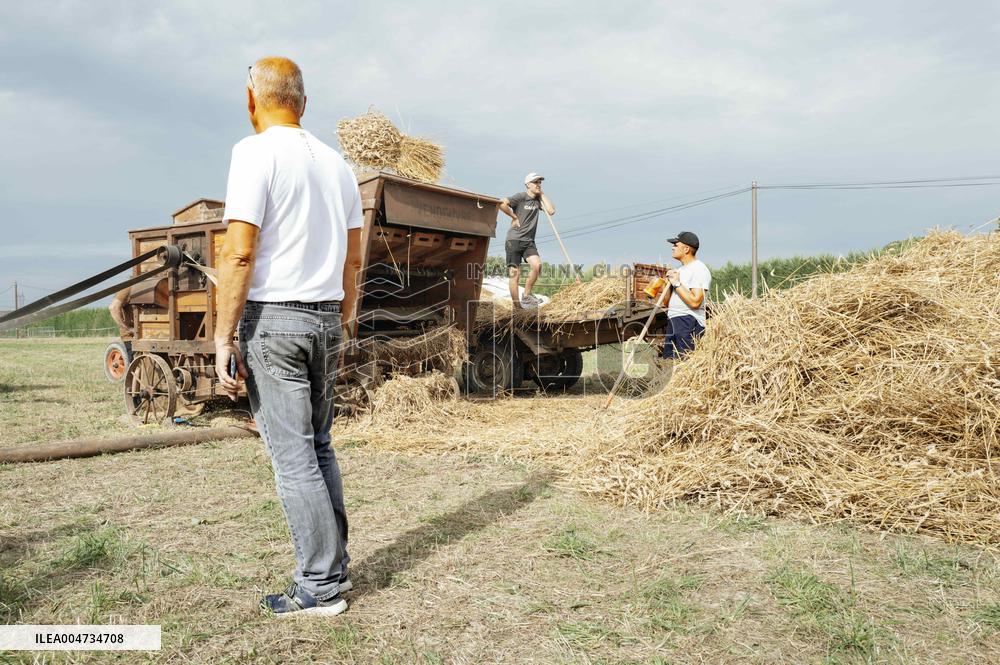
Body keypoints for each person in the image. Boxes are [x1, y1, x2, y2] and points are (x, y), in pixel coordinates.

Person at [214, 57, 364, 617]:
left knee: (293, 455)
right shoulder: (338, 164)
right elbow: (352, 260)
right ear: (304, 103)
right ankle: (334, 570)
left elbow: (240, 250)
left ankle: (319, 587)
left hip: (274, 320)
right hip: (326, 315)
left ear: (251, 99)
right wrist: (342, 322)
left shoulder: (252, 153)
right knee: (319, 446)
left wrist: (224, 338)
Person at [499, 173, 555, 308]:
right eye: (535, 182)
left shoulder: (537, 200)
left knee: (537, 265)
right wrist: (513, 216)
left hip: (529, 241)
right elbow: (502, 203)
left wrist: (542, 194)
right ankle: (517, 307)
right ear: (528, 184)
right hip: (515, 239)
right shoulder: (521, 197)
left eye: (540, 182)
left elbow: (551, 210)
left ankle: (526, 295)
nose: (538, 184)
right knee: (515, 274)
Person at [662, 231, 711, 359]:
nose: (672, 247)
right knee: (669, 362)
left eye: (676, 245)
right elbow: (666, 303)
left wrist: (677, 283)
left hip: (688, 321)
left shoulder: (699, 269)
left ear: (686, 249)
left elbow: (695, 302)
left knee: (685, 362)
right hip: (674, 319)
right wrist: (667, 285)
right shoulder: (679, 270)